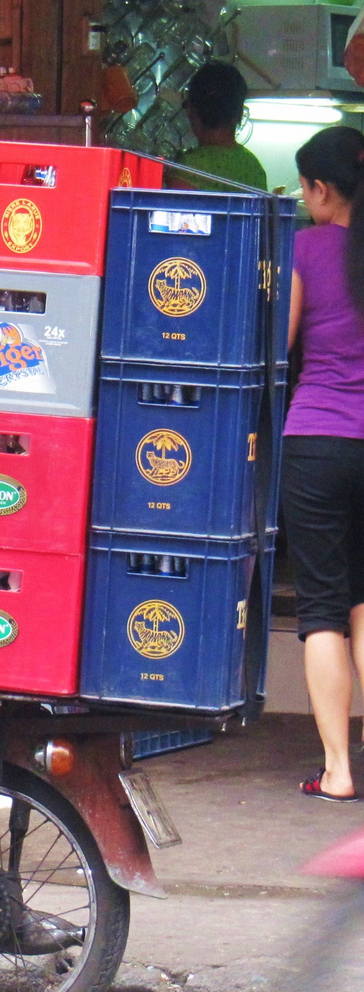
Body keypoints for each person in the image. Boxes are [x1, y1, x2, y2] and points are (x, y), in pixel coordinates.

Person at [280, 126, 364, 802]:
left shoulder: (304, 248)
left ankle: (338, 769)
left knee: (324, 609)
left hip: (317, 441)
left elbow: (283, 346)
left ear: (322, 189)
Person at [169, 61, 267, 192]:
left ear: (193, 110)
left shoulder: (188, 168)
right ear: (239, 113)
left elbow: (177, 210)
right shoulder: (254, 166)